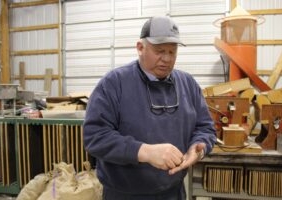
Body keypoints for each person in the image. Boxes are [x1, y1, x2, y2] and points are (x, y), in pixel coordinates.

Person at [83, 16, 216, 200]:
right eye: (160, 51)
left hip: (174, 192)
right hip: (124, 194)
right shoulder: (114, 84)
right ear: (140, 47)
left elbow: (205, 127)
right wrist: (144, 151)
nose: (167, 59)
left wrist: (198, 149)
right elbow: (95, 137)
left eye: (172, 51)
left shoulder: (188, 84)